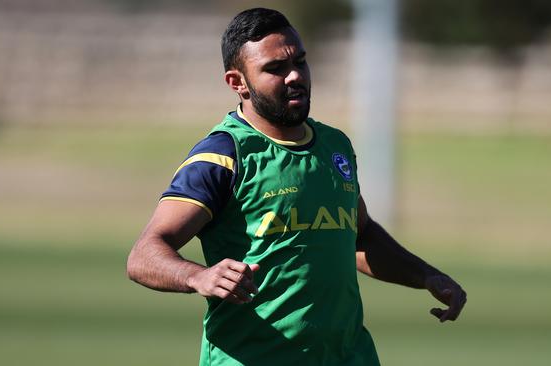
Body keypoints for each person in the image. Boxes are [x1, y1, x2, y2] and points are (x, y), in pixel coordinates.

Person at [127, 7, 466, 366]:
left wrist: (426, 275)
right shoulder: (223, 156)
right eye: (274, 69)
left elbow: (359, 234)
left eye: (300, 63)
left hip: (349, 357)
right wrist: (200, 276)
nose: (294, 76)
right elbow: (144, 255)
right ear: (237, 82)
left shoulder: (334, 146)